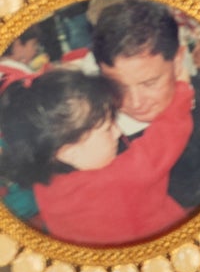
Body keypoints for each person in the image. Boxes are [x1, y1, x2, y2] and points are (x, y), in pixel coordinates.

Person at [0, 63, 189, 244]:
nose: (118, 131)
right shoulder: (115, 182)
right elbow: (162, 141)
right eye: (107, 128)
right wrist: (182, 90)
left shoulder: (47, 181)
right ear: (68, 152)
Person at [92, 0, 200, 219]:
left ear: (178, 60)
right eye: (117, 86)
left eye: (149, 83)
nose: (135, 102)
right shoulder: (92, 145)